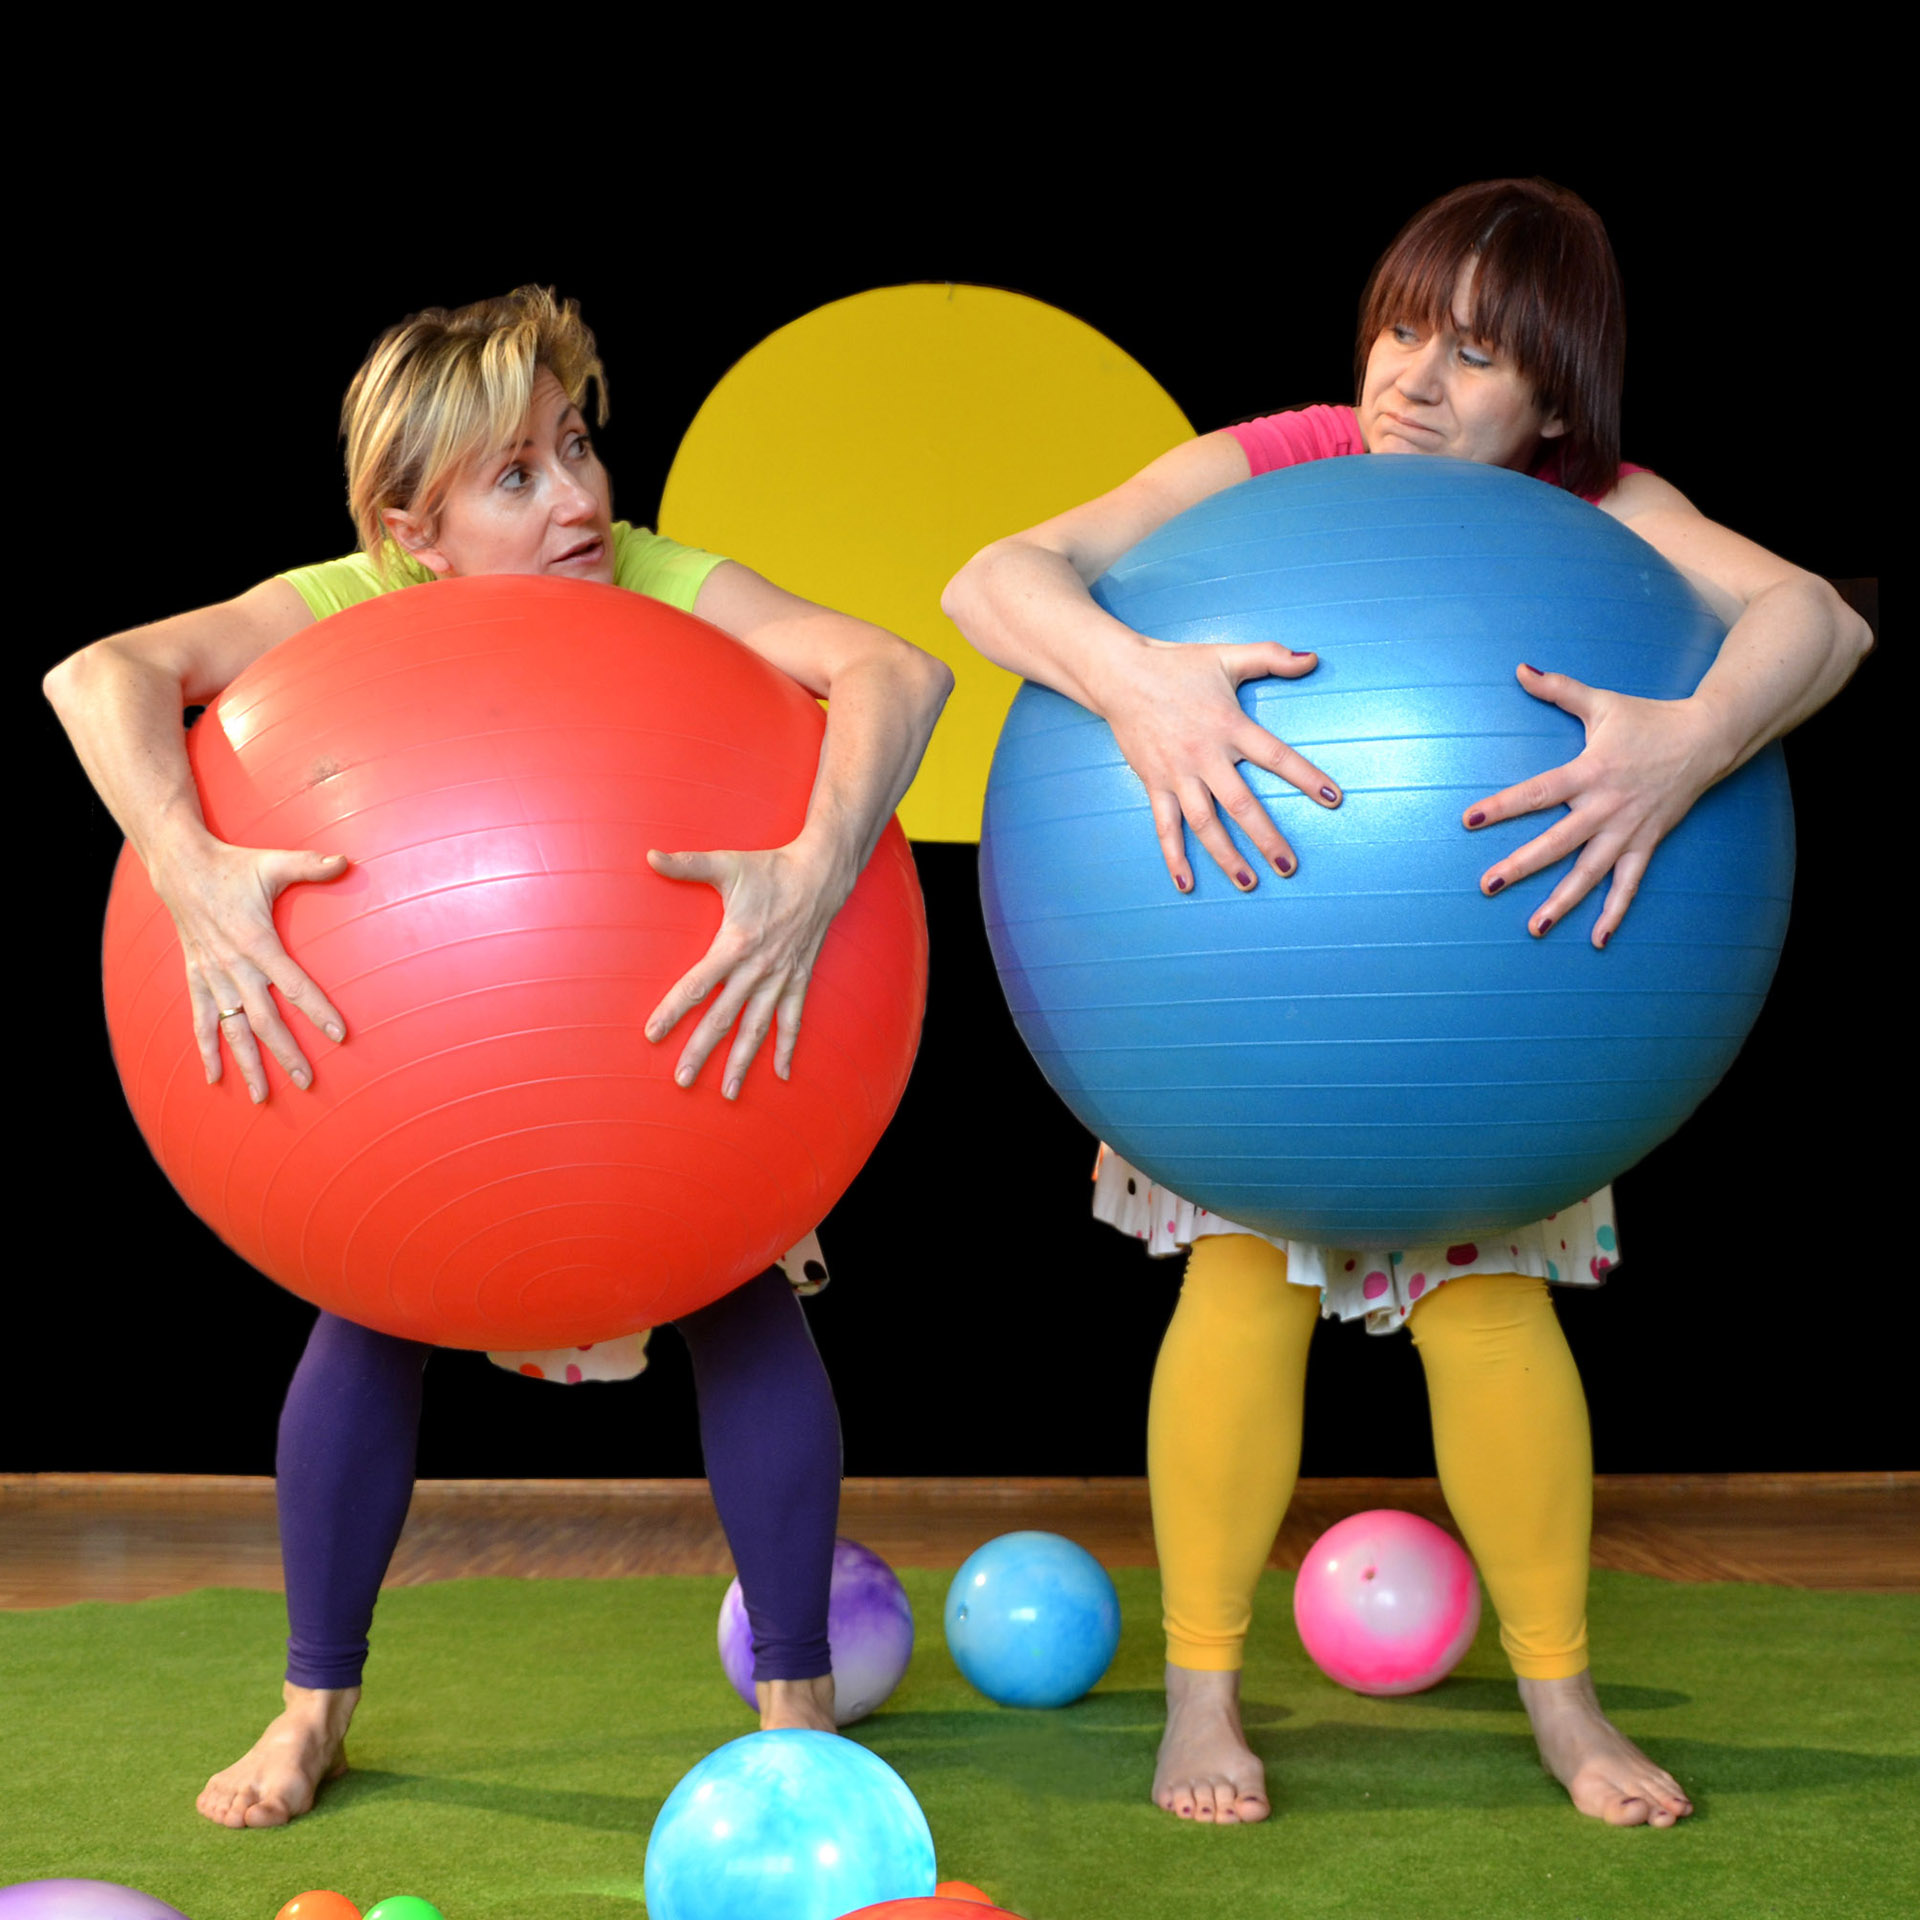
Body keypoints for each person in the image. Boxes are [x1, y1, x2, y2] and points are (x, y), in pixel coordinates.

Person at [943, 178, 1870, 1830]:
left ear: (1557, 402)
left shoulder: (1604, 510)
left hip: (1503, 1031)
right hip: (1239, 992)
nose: (1414, 384)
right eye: (1401, 331)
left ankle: (1568, 1707)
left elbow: (1821, 617)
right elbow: (992, 579)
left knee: (1494, 1316)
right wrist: (1136, 683)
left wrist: (1693, 739)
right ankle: (1202, 1699)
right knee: (1238, 1288)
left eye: (1477, 356)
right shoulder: (1282, 459)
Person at [43, 287, 952, 1829]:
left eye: (577, 445)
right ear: (414, 530)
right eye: (517, 476)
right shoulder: (342, 604)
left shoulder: (657, 577)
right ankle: (312, 1712)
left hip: (680, 1071)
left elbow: (897, 674)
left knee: (742, 1293)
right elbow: (97, 676)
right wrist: (192, 871)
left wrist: (813, 871)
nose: (579, 499)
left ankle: (796, 1708)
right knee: (366, 1310)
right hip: (404, 1080)